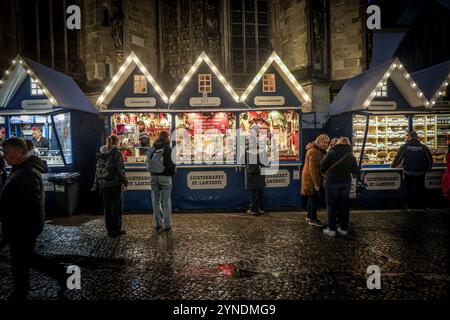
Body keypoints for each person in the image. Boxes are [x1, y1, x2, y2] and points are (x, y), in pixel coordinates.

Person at [0, 138, 67, 300]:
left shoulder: (27, 172)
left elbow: (32, 204)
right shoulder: (19, 169)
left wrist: (23, 225)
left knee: (23, 259)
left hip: (22, 226)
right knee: (23, 259)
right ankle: (21, 290)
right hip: (16, 225)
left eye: (7, 152)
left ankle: (61, 275)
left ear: (20, 151)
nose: (4, 156)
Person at [320, 137, 360, 237]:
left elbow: (322, 167)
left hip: (332, 182)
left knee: (331, 205)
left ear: (338, 143)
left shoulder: (332, 152)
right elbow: (355, 170)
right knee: (344, 206)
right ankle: (343, 228)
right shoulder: (350, 155)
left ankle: (332, 229)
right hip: (345, 182)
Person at [391, 130, 433, 209]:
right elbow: (430, 160)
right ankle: (420, 206)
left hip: (408, 172)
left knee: (409, 189)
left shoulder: (404, 147)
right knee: (420, 189)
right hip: (420, 172)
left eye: (407, 136)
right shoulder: (424, 147)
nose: (406, 138)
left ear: (409, 137)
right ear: (417, 137)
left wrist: (393, 166)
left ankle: (409, 206)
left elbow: (398, 159)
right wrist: (427, 169)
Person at [97, 135, 128, 237]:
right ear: (117, 142)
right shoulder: (117, 153)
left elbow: (98, 169)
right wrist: (125, 181)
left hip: (104, 183)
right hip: (115, 183)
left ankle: (109, 230)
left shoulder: (102, 152)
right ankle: (116, 229)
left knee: (107, 208)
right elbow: (121, 169)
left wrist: (97, 182)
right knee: (116, 207)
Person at [148, 131, 176, 231]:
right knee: (166, 200)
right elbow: (171, 163)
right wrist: (171, 173)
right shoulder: (168, 148)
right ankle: (167, 224)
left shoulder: (153, 147)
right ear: (167, 137)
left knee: (155, 200)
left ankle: (157, 222)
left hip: (153, 176)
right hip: (165, 177)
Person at [301, 134, 330, 226]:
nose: (325, 144)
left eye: (327, 143)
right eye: (323, 142)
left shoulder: (314, 150)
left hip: (309, 179)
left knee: (311, 198)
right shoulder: (315, 152)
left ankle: (309, 216)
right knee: (314, 199)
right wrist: (316, 184)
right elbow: (313, 169)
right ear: (318, 142)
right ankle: (313, 219)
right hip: (312, 180)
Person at [245, 124, 267, 215]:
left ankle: (254, 210)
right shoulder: (261, 148)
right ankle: (262, 208)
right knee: (260, 192)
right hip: (260, 173)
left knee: (253, 193)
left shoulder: (249, 149)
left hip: (253, 175)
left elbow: (251, 164)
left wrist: (251, 171)